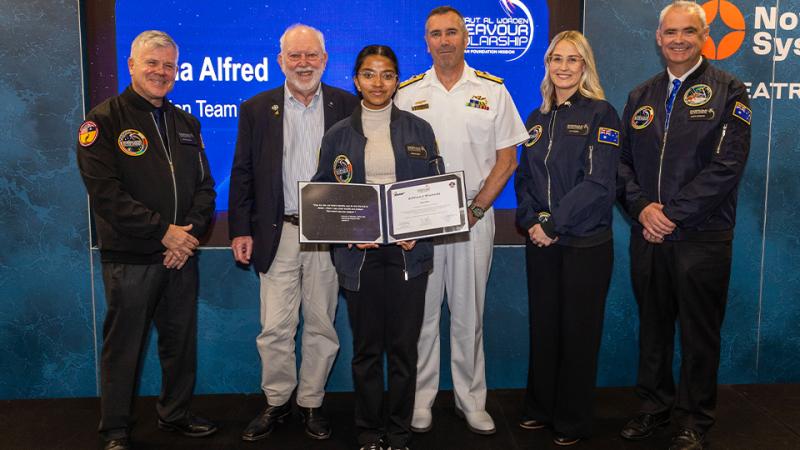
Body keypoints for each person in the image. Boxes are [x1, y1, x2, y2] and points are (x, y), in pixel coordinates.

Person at [617, 2, 751, 449]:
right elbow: (621, 165)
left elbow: (727, 166)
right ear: (658, 38)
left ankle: (695, 419)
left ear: (704, 36)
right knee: (653, 328)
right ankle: (654, 406)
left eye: (688, 32)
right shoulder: (641, 96)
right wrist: (643, 209)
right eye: (670, 32)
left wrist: (670, 214)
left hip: (702, 238)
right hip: (649, 235)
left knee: (698, 333)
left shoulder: (730, 91)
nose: (679, 40)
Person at [76, 30, 217, 450]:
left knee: (180, 344)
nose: (161, 71)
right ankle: (115, 429)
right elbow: (106, 194)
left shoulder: (187, 123)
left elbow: (206, 189)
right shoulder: (103, 121)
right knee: (124, 348)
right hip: (131, 258)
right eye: (152, 63)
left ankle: (176, 414)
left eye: (169, 65)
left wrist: (185, 237)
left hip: (181, 256)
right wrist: (162, 233)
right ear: (132, 65)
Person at [394, 5, 529, 435]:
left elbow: (507, 160)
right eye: (436, 34)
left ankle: (471, 401)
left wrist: (476, 210)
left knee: (469, 314)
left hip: (474, 214)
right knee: (422, 314)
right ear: (426, 41)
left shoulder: (492, 90)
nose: (444, 41)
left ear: (466, 37)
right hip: (421, 219)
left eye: (452, 32)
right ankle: (421, 401)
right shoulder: (407, 93)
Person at [228, 24, 358, 442]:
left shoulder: (348, 105)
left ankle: (312, 403)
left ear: (325, 59)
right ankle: (277, 401)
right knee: (275, 327)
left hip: (328, 233)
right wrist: (240, 229)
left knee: (322, 324)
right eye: (295, 56)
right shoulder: (256, 108)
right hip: (277, 232)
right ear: (280, 60)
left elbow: (360, 172)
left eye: (311, 55)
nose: (304, 64)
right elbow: (243, 171)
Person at [313, 44, 443, 450]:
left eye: (387, 74)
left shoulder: (420, 129)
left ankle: (399, 430)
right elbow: (323, 195)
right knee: (367, 350)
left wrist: (420, 229)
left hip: (408, 254)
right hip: (360, 256)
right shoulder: (337, 134)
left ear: (396, 81)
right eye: (369, 74)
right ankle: (369, 429)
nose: (378, 82)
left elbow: (437, 191)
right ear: (356, 80)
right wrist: (347, 231)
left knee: (404, 350)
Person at [514, 30, 620, 447]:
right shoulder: (536, 118)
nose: (563, 67)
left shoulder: (601, 114)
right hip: (541, 242)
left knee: (578, 334)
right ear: (547, 65)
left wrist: (553, 224)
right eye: (556, 58)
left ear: (585, 66)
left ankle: (572, 420)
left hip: (584, 245)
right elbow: (525, 179)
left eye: (572, 59)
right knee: (544, 328)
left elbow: (599, 183)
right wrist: (534, 221)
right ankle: (540, 408)